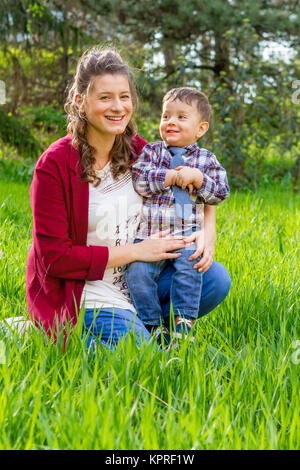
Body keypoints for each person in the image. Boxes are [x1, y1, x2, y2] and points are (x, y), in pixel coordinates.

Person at [25, 45, 231, 352]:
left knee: (214, 278)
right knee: (141, 362)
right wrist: (137, 251)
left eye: (124, 96)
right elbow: (55, 259)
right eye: (105, 97)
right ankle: (38, 334)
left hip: (138, 282)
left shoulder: (140, 151)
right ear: (81, 102)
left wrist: (208, 234)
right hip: (86, 291)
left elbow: (191, 184)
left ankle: (147, 331)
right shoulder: (54, 165)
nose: (118, 106)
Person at [125, 87, 230, 346]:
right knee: (138, 273)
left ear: (201, 128)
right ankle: (152, 324)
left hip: (185, 235)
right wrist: (169, 176)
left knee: (190, 269)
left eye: (181, 117)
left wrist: (200, 179)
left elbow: (220, 193)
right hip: (150, 235)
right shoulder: (151, 153)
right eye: (166, 116)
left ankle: (183, 322)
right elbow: (139, 180)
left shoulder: (206, 160)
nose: (170, 122)